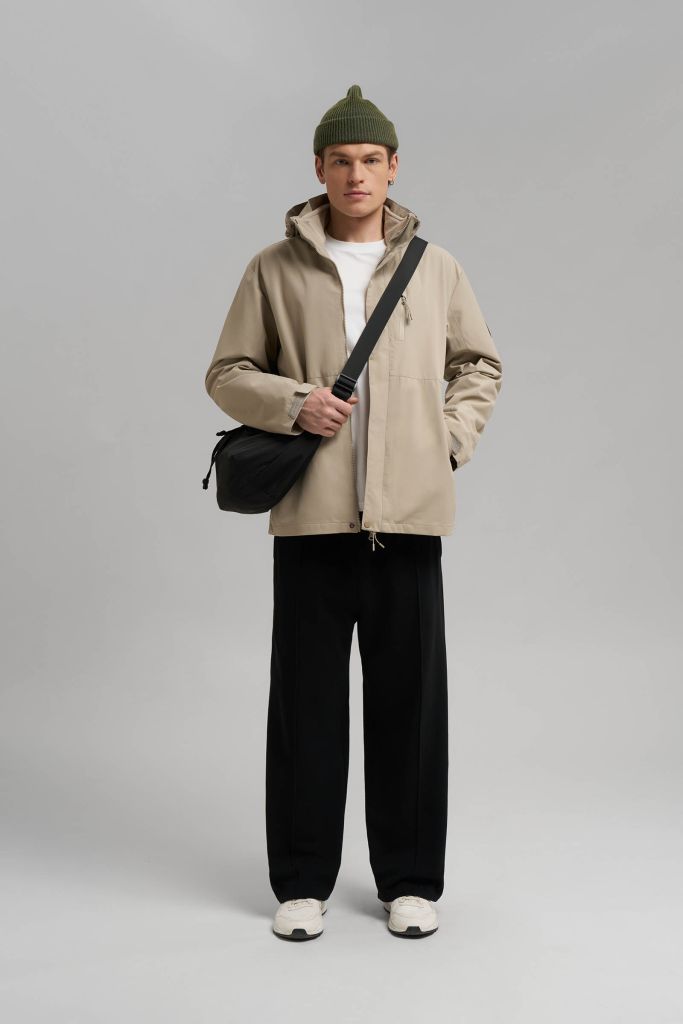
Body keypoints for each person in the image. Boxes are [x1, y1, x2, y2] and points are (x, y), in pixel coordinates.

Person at [204, 84, 503, 941]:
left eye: (371, 159)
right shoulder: (274, 267)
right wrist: (294, 401)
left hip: (407, 519)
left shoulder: (435, 268)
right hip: (311, 518)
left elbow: (478, 365)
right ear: (318, 169)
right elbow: (226, 373)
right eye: (341, 160)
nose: (356, 174)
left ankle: (408, 882)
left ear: (393, 167)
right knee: (305, 708)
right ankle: (302, 883)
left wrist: (445, 442)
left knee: (409, 706)